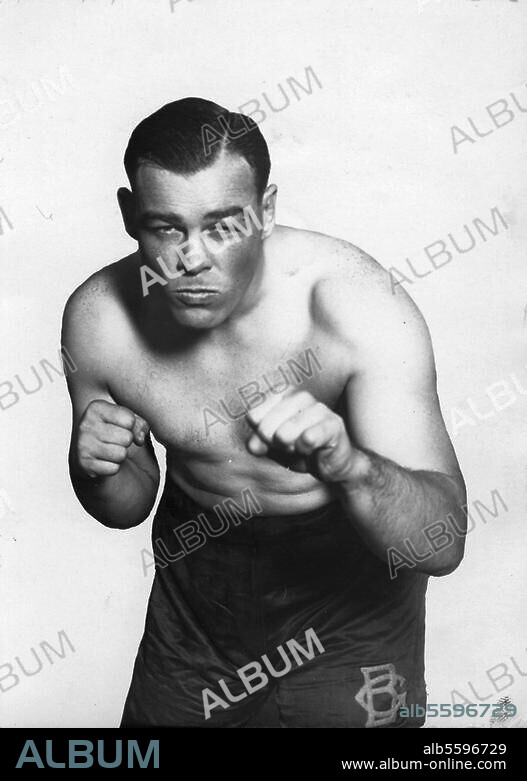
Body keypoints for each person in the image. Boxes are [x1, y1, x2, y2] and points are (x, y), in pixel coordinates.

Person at [62, 97, 467, 728]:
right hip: (198, 606)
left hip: (347, 606)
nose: (191, 259)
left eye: (223, 226)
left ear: (267, 211)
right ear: (128, 214)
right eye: (166, 227)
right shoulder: (101, 319)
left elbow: (442, 544)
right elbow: (127, 505)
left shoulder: (357, 308)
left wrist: (348, 466)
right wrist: (99, 467)